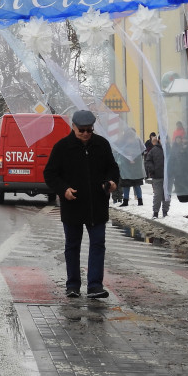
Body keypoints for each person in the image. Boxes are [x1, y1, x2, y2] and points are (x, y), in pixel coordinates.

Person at [43, 109, 121, 299]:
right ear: (73, 127)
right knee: (72, 246)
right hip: (73, 205)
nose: (86, 133)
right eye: (82, 130)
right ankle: (73, 285)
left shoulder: (102, 144)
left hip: (97, 205)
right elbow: (50, 174)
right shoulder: (62, 147)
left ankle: (95, 285)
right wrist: (64, 190)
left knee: (98, 244)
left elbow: (112, 168)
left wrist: (112, 181)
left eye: (89, 130)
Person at [144, 132, 168, 218]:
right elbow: (148, 160)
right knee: (158, 195)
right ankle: (155, 212)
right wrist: (152, 169)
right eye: (162, 139)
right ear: (159, 140)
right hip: (157, 176)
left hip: (168, 176)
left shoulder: (170, 150)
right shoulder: (154, 150)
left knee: (166, 195)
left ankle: (165, 211)